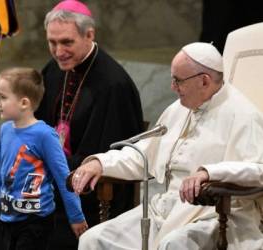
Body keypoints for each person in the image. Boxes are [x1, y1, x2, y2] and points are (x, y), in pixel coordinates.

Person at [0, 1, 144, 249]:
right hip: (37, 170)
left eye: (67, 42)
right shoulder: (55, 69)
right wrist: (0, 149)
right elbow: (27, 121)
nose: (59, 51)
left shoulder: (114, 86)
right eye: (52, 42)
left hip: (80, 187)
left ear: (89, 35)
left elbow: (107, 156)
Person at [72, 42, 263, 250]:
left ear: (204, 81)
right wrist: (100, 163)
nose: (172, 87)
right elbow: (144, 155)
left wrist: (209, 173)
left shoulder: (244, 115)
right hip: (166, 209)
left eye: (178, 80)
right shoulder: (178, 109)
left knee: (173, 245)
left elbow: (258, 170)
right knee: (93, 240)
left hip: (215, 214)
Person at [0, 67, 88, 250]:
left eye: (3, 97)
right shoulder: (5, 131)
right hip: (6, 218)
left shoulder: (45, 136)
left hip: (35, 223)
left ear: (24, 103)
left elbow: (64, 179)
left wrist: (76, 216)